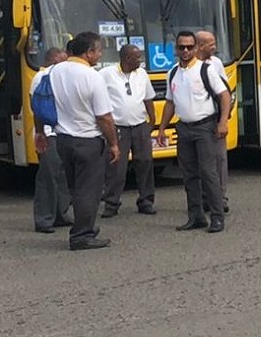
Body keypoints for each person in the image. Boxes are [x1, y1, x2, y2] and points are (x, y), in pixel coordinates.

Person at [48, 32, 120, 251]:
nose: (99, 55)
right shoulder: (92, 76)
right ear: (89, 52)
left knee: (75, 188)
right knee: (89, 190)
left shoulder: (55, 70)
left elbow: (41, 99)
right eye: (98, 50)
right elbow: (104, 117)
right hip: (88, 140)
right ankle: (82, 235)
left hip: (63, 138)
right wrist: (114, 143)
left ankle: (82, 226)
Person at [156, 30, 231, 233]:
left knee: (209, 173)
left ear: (196, 47)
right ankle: (196, 216)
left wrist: (222, 122)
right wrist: (162, 128)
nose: (186, 50)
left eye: (190, 46)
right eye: (182, 47)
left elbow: (225, 96)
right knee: (189, 175)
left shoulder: (205, 70)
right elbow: (170, 102)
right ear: (176, 49)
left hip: (205, 127)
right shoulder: (172, 72)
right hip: (184, 128)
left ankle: (217, 216)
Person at [100, 43, 157, 217]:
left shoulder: (142, 74)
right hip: (118, 127)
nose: (140, 60)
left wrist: (152, 120)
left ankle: (146, 201)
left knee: (145, 162)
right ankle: (111, 203)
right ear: (126, 58)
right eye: (137, 57)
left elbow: (148, 99)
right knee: (116, 166)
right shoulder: (106, 74)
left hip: (140, 125)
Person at [31, 47, 73, 234]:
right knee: (48, 175)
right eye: (61, 61)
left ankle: (60, 214)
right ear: (53, 61)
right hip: (49, 132)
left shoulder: (62, 77)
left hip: (64, 131)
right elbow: (37, 108)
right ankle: (44, 219)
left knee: (62, 175)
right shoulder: (41, 78)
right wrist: (41, 133)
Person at [196, 30, 229, 213]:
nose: (214, 47)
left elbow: (224, 92)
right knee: (201, 161)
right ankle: (203, 198)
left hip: (216, 119)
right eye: (211, 44)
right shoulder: (188, 65)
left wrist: (223, 120)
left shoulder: (216, 63)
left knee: (219, 159)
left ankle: (221, 197)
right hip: (198, 122)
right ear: (200, 46)